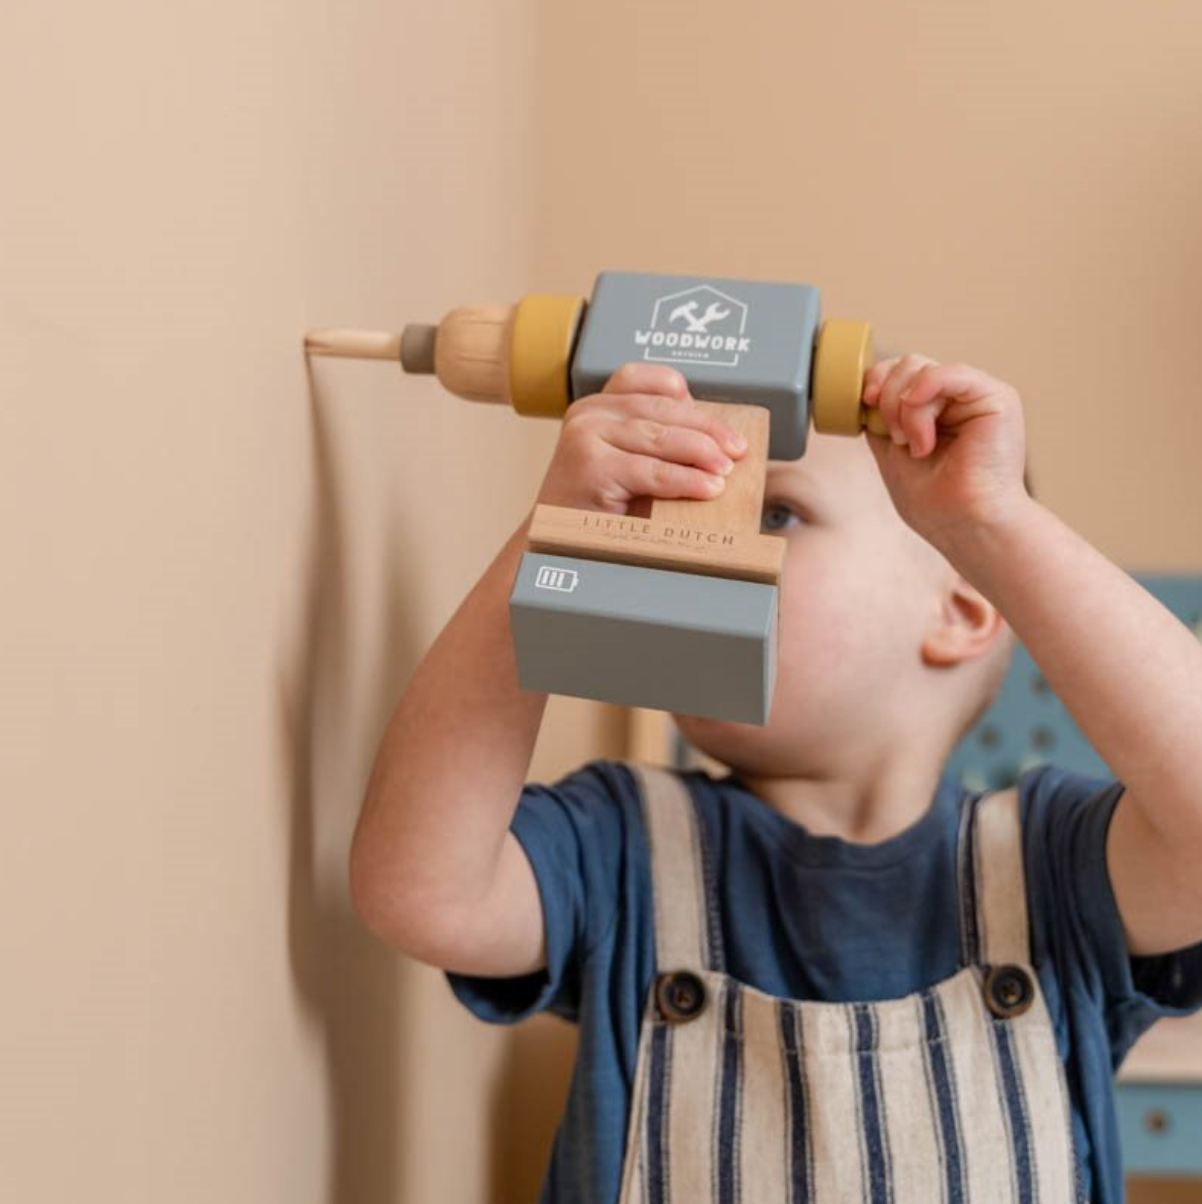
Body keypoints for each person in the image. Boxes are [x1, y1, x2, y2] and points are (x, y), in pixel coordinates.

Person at [349, 354, 1202, 1204]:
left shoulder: (1054, 867)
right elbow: (422, 893)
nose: (701, 543)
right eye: (679, 511)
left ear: (960, 608)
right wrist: (559, 539)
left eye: (776, 510)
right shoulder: (620, 842)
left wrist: (994, 521)